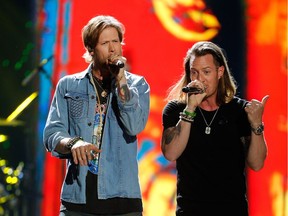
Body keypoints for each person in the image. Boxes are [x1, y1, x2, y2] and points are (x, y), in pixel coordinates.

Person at [43, 15, 150, 216]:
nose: (113, 49)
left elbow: (135, 125)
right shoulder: (69, 85)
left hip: (122, 201)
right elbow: (52, 134)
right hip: (78, 199)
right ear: (91, 49)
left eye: (116, 42)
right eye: (104, 43)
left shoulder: (137, 85)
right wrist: (73, 143)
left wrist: (121, 80)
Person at [161, 41, 269, 216]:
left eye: (206, 72)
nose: (199, 79)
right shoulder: (176, 110)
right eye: (194, 72)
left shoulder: (239, 111)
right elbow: (171, 153)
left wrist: (256, 125)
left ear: (220, 72)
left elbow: (257, 164)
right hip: (190, 211)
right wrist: (190, 109)